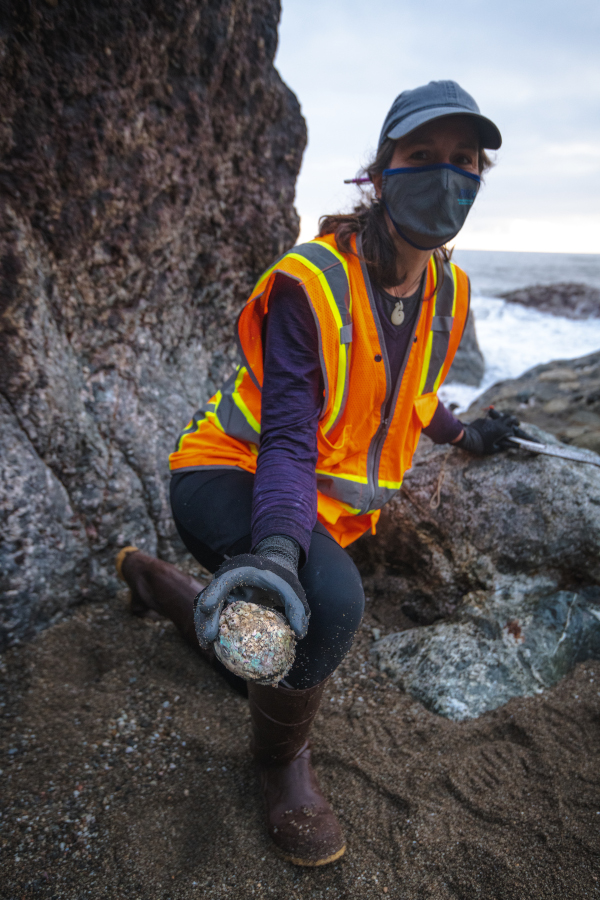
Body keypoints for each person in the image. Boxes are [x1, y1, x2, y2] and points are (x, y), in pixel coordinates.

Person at [116, 80, 527, 867]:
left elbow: (412, 389)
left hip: (315, 508)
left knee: (263, 646)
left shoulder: (449, 288)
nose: (445, 174)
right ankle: (281, 767)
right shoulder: (313, 280)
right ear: (380, 171)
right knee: (330, 602)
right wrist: (277, 552)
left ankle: (149, 578)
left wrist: (468, 433)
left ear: (480, 177)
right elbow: (288, 435)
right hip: (228, 473)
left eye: (464, 160)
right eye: (421, 155)